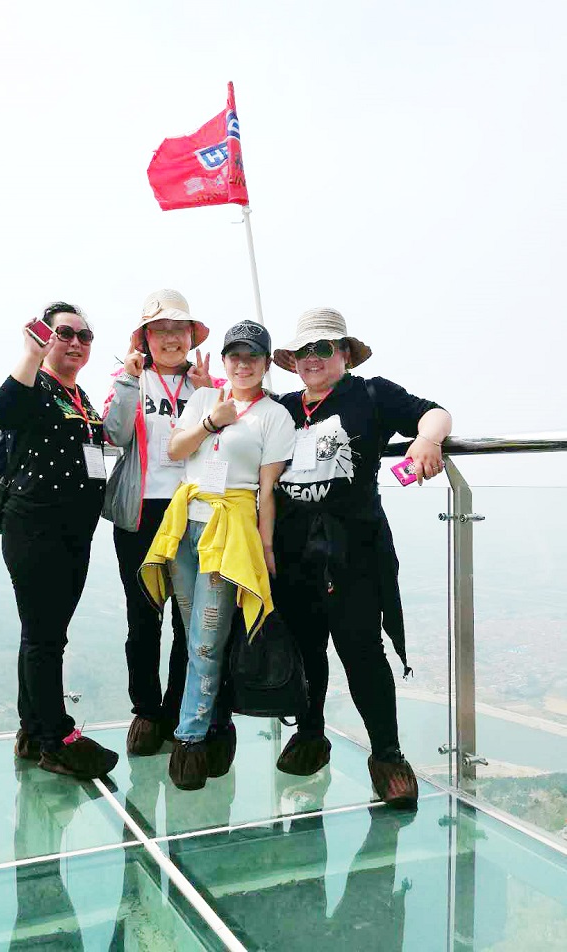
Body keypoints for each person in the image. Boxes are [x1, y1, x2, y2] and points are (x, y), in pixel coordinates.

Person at [271, 307, 452, 807]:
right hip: (293, 552)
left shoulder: (370, 395)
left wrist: (427, 439)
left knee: (362, 650)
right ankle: (310, 734)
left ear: (344, 354)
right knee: (305, 649)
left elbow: (435, 412)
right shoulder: (282, 408)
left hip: (354, 551)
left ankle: (387, 755)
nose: (312, 358)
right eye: (303, 351)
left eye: (322, 348)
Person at [140, 321, 296, 791]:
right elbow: (175, 448)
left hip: (230, 532)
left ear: (266, 363)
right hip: (184, 525)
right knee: (196, 637)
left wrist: (265, 548)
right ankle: (214, 725)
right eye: (235, 356)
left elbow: (267, 490)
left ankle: (189, 741)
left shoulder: (275, 416)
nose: (243, 364)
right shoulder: (205, 398)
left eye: (253, 356)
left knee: (207, 641)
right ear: (225, 360)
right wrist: (213, 420)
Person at [0, 302, 118, 780]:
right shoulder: (36, 385)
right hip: (36, 527)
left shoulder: (79, 395)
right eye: (65, 333)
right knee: (45, 637)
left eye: (85, 336)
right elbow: (2, 412)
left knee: (44, 633)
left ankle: (32, 729)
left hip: (73, 531)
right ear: (46, 338)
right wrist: (30, 354)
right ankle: (57, 739)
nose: (76, 343)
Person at [102, 289, 222, 756]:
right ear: (144, 338)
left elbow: (227, 442)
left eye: (179, 330)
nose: (170, 339)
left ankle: (176, 707)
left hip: (192, 511)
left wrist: (209, 392)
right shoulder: (131, 380)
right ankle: (147, 710)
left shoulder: (206, 384)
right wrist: (128, 381)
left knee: (188, 616)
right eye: (160, 330)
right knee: (143, 614)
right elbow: (114, 435)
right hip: (141, 513)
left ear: (191, 336)